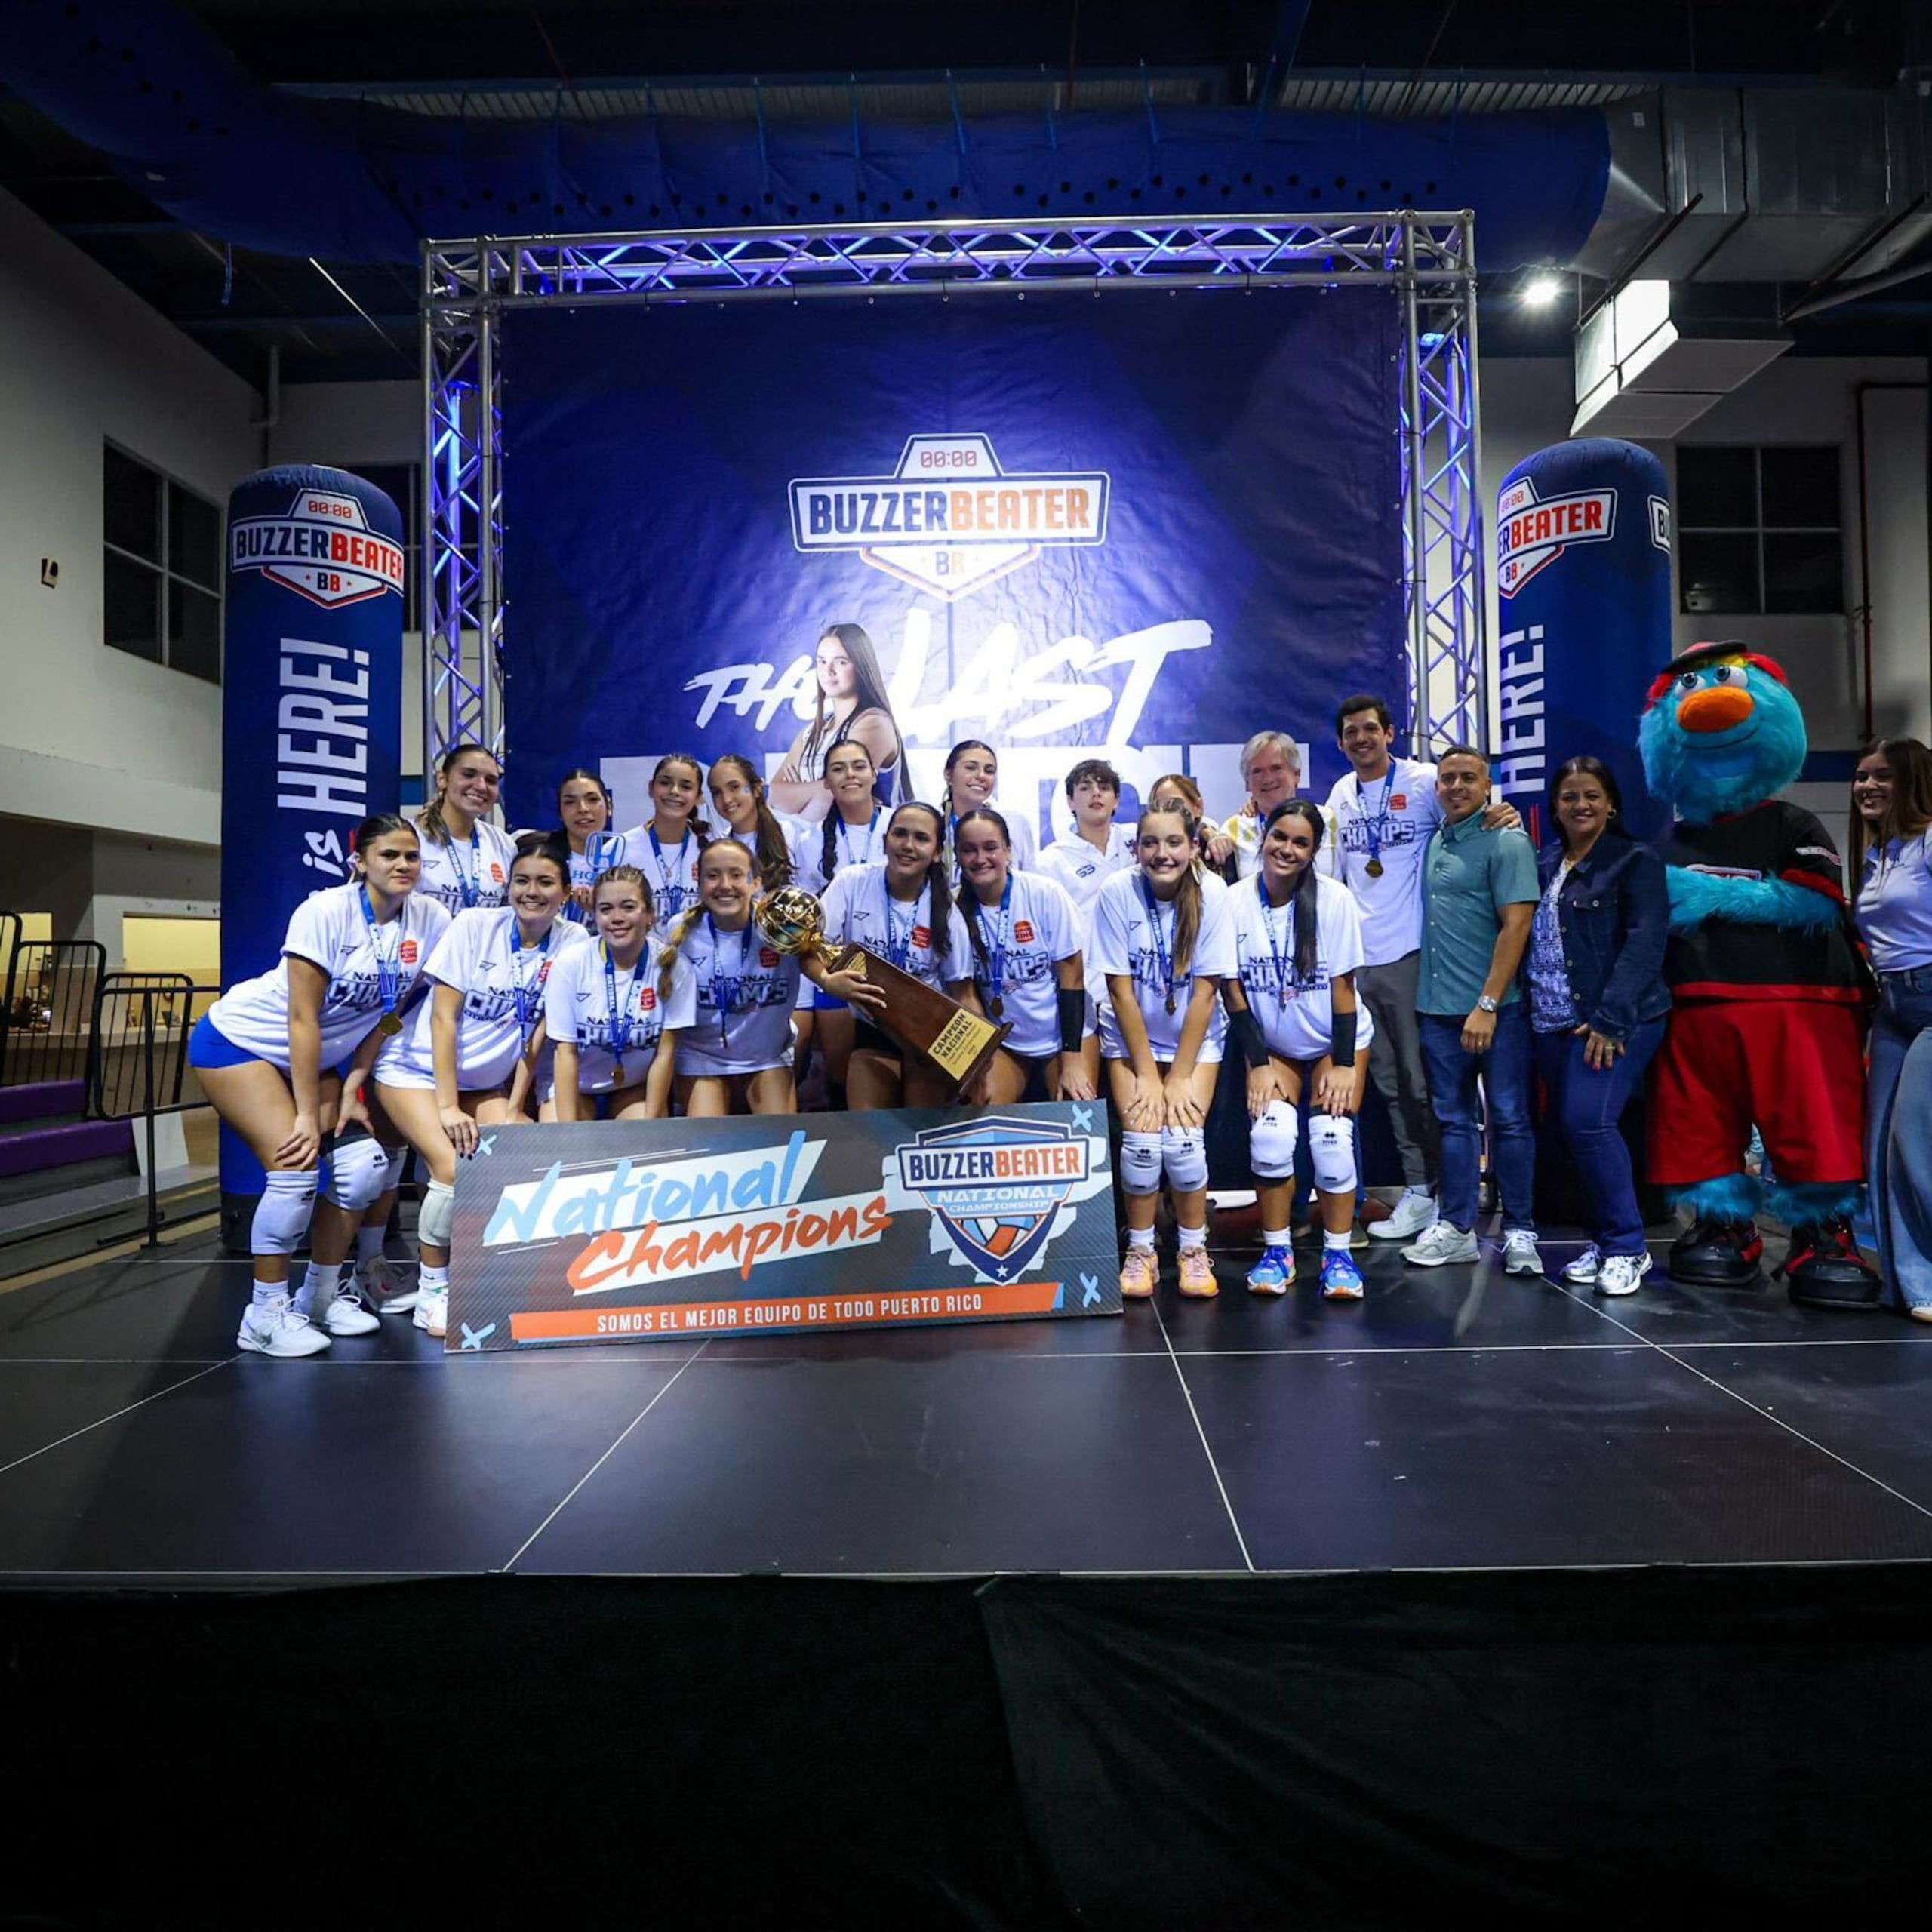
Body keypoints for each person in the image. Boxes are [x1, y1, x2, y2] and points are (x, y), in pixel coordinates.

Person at [189, 813, 450, 1357]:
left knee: (363, 1170)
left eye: (411, 857)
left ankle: (321, 1297)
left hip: (323, 1061)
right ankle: (262, 1314)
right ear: (360, 862)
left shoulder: (430, 918)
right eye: (389, 856)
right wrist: (309, 1113)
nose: (403, 865)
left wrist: (355, 1080)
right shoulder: (325, 911)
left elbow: (392, 1013)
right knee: (294, 1168)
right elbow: (302, 1020)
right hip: (243, 1044)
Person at [374, 832, 589, 1339]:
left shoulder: (574, 941)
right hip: (417, 1071)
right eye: (520, 881)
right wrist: (448, 1106)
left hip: (487, 1083)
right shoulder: (474, 925)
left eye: (544, 883)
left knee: (521, 1155)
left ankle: (496, 1275)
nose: (530, 892)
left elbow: (542, 1032)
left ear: (565, 890)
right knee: (452, 1166)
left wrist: (516, 1106)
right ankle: (433, 1292)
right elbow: (443, 1019)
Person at [1324, 694, 1518, 1241]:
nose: (1361, 739)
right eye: (1350, 733)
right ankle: (1418, 1189)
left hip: (1413, 954)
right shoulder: (1341, 794)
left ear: (1389, 733)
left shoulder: (1426, 781)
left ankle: (1450, 1189)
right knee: (1387, 1083)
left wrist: (1499, 812)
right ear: (1340, 744)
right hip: (1360, 961)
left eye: (1369, 729)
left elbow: (1470, 821)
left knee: (1422, 1082)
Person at [1527, 756, 1671, 1297]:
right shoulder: (1544, 864)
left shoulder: (1635, 860)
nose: (1580, 805)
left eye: (1591, 795)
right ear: (1556, 808)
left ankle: (1629, 1247)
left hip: (1612, 1022)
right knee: (1575, 1134)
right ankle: (1605, 1240)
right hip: (1551, 1022)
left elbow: (1645, 942)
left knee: (1589, 1124)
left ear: (1612, 804)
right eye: (1569, 797)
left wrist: (1611, 1020)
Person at [1223, 801, 1373, 1300]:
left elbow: (1345, 991)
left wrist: (1346, 1065)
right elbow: (1233, 990)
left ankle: (1338, 1255)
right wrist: (1259, 1064)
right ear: (1263, 836)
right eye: (1279, 837)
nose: (1287, 849)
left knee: (1331, 1140)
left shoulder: (1334, 900)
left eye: (1301, 842)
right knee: (1270, 1138)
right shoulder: (1235, 901)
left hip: (1335, 1039)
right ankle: (1277, 1251)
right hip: (1275, 1046)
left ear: (1313, 852)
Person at [1401, 746, 1542, 1274]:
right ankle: (1458, 1227)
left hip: (1495, 1012)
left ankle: (1522, 1229)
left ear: (1489, 786)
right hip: (1438, 1012)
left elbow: (1517, 926)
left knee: (1508, 1119)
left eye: (1467, 778)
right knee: (1453, 1122)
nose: (1455, 786)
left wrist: (1486, 1004)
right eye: (1447, 779)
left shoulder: (1506, 841)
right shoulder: (1439, 837)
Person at [1093, 801, 1236, 1300]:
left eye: (1174, 842)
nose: (1162, 853)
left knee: (1182, 1142)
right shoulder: (1116, 892)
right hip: (1130, 1038)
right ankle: (1141, 1250)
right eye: (1150, 843)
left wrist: (1176, 1076)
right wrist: (1149, 1075)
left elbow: (1205, 991)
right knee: (1141, 1142)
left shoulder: (1213, 893)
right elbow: (1119, 990)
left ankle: (1194, 1250)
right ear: (1136, 850)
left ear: (1194, 847)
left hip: (1194, 1041)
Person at [654, 840, 869, 1117]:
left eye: (735, 874)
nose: (725, 885)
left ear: (755, 883)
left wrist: (826, 981)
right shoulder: (682, 929)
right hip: (702, 1055)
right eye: (713, 875)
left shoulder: (777, 922)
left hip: (767, 1055)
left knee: (777, 1141)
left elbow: (806, 953)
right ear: (699, 881)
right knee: (708, 1142)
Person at [1850, 736, 1932, 1321]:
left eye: (1882, 777)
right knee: (1879, 1149)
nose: (1867, 787)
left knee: (1915, 1143)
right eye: (1860, 777)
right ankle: (1908, 1286)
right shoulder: (1879, 854)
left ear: (1912, 782)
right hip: (1891, 1009)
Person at [818, 801, 972, 1109]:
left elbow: (963, 994)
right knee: (869, 1133)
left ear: (937, 851)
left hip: (929, 1039)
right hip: (872, 1032)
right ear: (885, 840)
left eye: (921, 838)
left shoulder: (946, 913)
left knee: (921, 1138)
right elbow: (809, 947)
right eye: (900, 834)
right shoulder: (852, 883)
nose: (908, 845)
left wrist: (972, 1059)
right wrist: (827, 981)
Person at [955, 808, 1095, 1103]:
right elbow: (965, 995)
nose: (980, 859)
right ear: (957, 855)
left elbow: (1073, 978)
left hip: (1066, 1037)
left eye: (991, 847)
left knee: (1073, 1110)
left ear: (1008, 850)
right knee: (984, 1103)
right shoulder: (953, 909)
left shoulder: (1045, 894)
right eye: (969, 850)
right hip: (1007, 1041)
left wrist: (1070, 1063)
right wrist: (980, 1060)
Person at [543, 865, 693, 1122]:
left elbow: (665, 1054)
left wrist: (651, 1121)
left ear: (650, 914)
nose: (617, 917)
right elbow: (565, 1053)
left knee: (643, 1142)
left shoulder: (674, 965)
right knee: (562, 1145)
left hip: (632, 1087)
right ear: (596, 915)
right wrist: (566, 1132)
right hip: (575, 1085)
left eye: (628, 907)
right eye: (606, 909)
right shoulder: (571, 964)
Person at [769, 622, 906, 817]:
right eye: (822, 661)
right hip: (815, 845)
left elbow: (835, 798)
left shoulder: (874, 723)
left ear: (861, 665)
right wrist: (817, 790)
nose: (829, 670)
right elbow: (775, 796)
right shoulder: (812, 732)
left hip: (869, 842)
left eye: (841, 662)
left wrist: (803, 791)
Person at [415, 743, 518, 916]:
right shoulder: (411, 836)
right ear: (442, 779)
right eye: (469, 775)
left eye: (491, 781)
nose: (481, 786)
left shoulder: (503, 844)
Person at [1221, 731, 1334, 881]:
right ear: (1247, 783)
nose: (1268, 779)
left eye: (1276, 768)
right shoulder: (1233, 828)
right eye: (1257, 771)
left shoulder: (1329, 819)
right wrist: (1210, 834)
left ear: (1297, 775)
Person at [1038, 757, 1137, 923]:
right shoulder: (1051, 862)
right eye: (1085, 788)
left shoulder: (1137, 837)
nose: (1096, 793)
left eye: (1104, 788)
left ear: (1116, 801)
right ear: (1071, 801)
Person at [555, 768, 645, 925]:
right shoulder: (544, 857)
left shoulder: (625, 857)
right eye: (570, 802)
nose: (582, 808)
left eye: (592, 800)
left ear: (609, 806)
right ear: (560, 812)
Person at [707, 753, 804, 894]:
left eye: (734, 787)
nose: (726, 799)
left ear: (757, 788)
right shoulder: (717, 846)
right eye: (716, 792)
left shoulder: (792, 835)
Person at [940, 740, 1038, 874]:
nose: (981, 776)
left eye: (989, 771)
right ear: (949, 775)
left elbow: (1029, 880)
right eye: (970, 768)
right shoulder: (934, 826)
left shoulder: (1014, 823)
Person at [638, 752, 710, 924]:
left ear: (698, 797)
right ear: (651, 788)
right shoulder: (619, 848)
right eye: (665, 783)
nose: (674, 791)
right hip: (642, 950)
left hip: (699, 950)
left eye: (686, 787)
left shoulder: (712, 848)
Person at [1149, 773, 1238, 882]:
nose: (1167, 813)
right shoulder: (1148, 852)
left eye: (1176, 804)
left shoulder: (1217, 849)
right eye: (1159, 806)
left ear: (1198, 807)